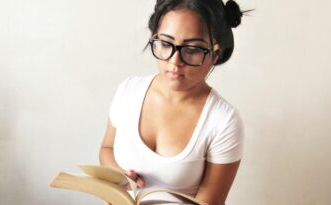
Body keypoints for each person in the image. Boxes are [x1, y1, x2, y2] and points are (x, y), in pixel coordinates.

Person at [100, 0, 248, 204]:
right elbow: (107, 150)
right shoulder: (128, 91)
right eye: (165, 44)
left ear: (215, 54)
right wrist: (119, 176)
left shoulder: (224, 121)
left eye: (192, 49)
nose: (175, 61)